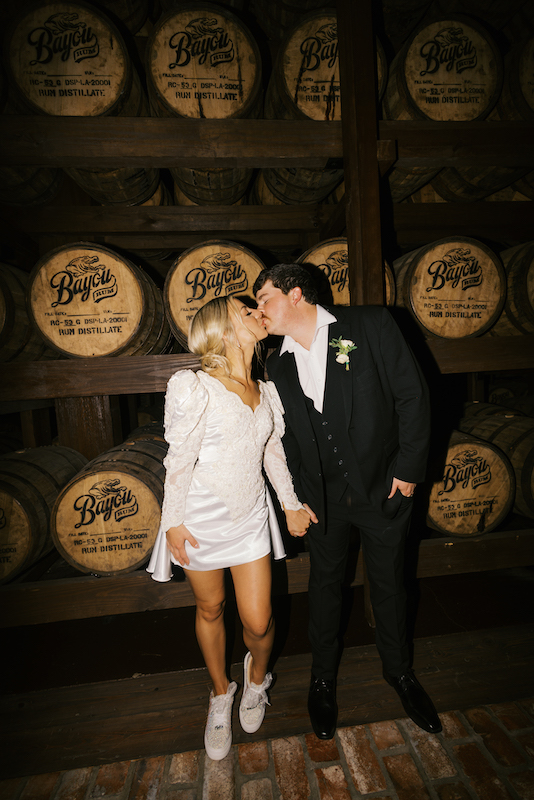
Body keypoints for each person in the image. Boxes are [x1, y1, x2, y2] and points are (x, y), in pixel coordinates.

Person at [253, 264, 442, 739]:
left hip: (384, 488)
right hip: (323, 501)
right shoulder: (276, 363)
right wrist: (296, 500)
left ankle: (400, 673)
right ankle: (322, 680)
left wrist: (408, 470)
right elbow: (288, 440)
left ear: (296, 295)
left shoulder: (370, 324)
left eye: (264, 299)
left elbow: (413, 398)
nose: (259, 311)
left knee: (391, 584)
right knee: (324, 587)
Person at [147, 295, 314, 761]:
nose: (257, 313)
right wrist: (173, 522)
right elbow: (178, 459)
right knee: (211, 606)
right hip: (200, 518)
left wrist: (291, 504)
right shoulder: (194, 386)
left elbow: (271, 454)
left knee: (259, 621)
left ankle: (256, 679)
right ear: (224, 329)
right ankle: (220, 693)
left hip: (250, 517)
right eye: (246, 311)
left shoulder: (267, 389)